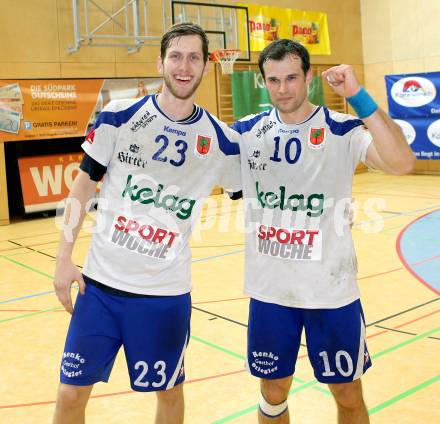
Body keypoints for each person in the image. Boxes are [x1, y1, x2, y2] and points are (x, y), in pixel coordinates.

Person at [52, 23, 240, 424]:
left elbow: (262, 190)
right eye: (176, 56)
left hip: (164, 294)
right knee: (70, 394)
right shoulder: (120, 116)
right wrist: (63, 259)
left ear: (207, 65)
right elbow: (82, 189)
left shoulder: (223, 142)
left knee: (169, 394)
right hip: (100, 287)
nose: (184, 66)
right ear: (160, 62)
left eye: (194, 57)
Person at [231, 39, 415, 423]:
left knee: (348, 394)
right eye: (274, 80)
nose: (284, 89)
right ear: (263, 83)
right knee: (272, 391)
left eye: (292, 78)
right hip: (271, 294)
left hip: (331, 294)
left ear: (310, 77)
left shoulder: (342, 129)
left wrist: (358, 97)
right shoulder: (245, 133)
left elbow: (401, 162)